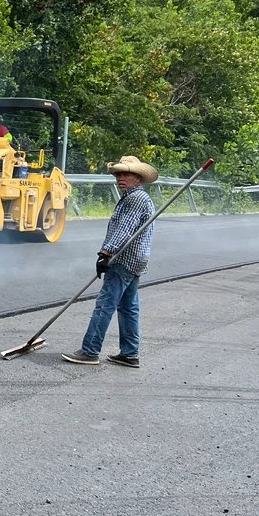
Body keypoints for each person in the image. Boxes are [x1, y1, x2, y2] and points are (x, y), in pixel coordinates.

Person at [62, 155, 158, 368]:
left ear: (138, 178)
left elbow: (125, 229)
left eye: (126, 174)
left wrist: (105, 254)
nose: (120, 178)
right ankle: (130, 353)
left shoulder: (135, 199)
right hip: (136, 260)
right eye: (118, 174)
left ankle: (90, 350)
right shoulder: (136, 197)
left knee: (105, 305)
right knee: (128, 307)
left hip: (123, 259)